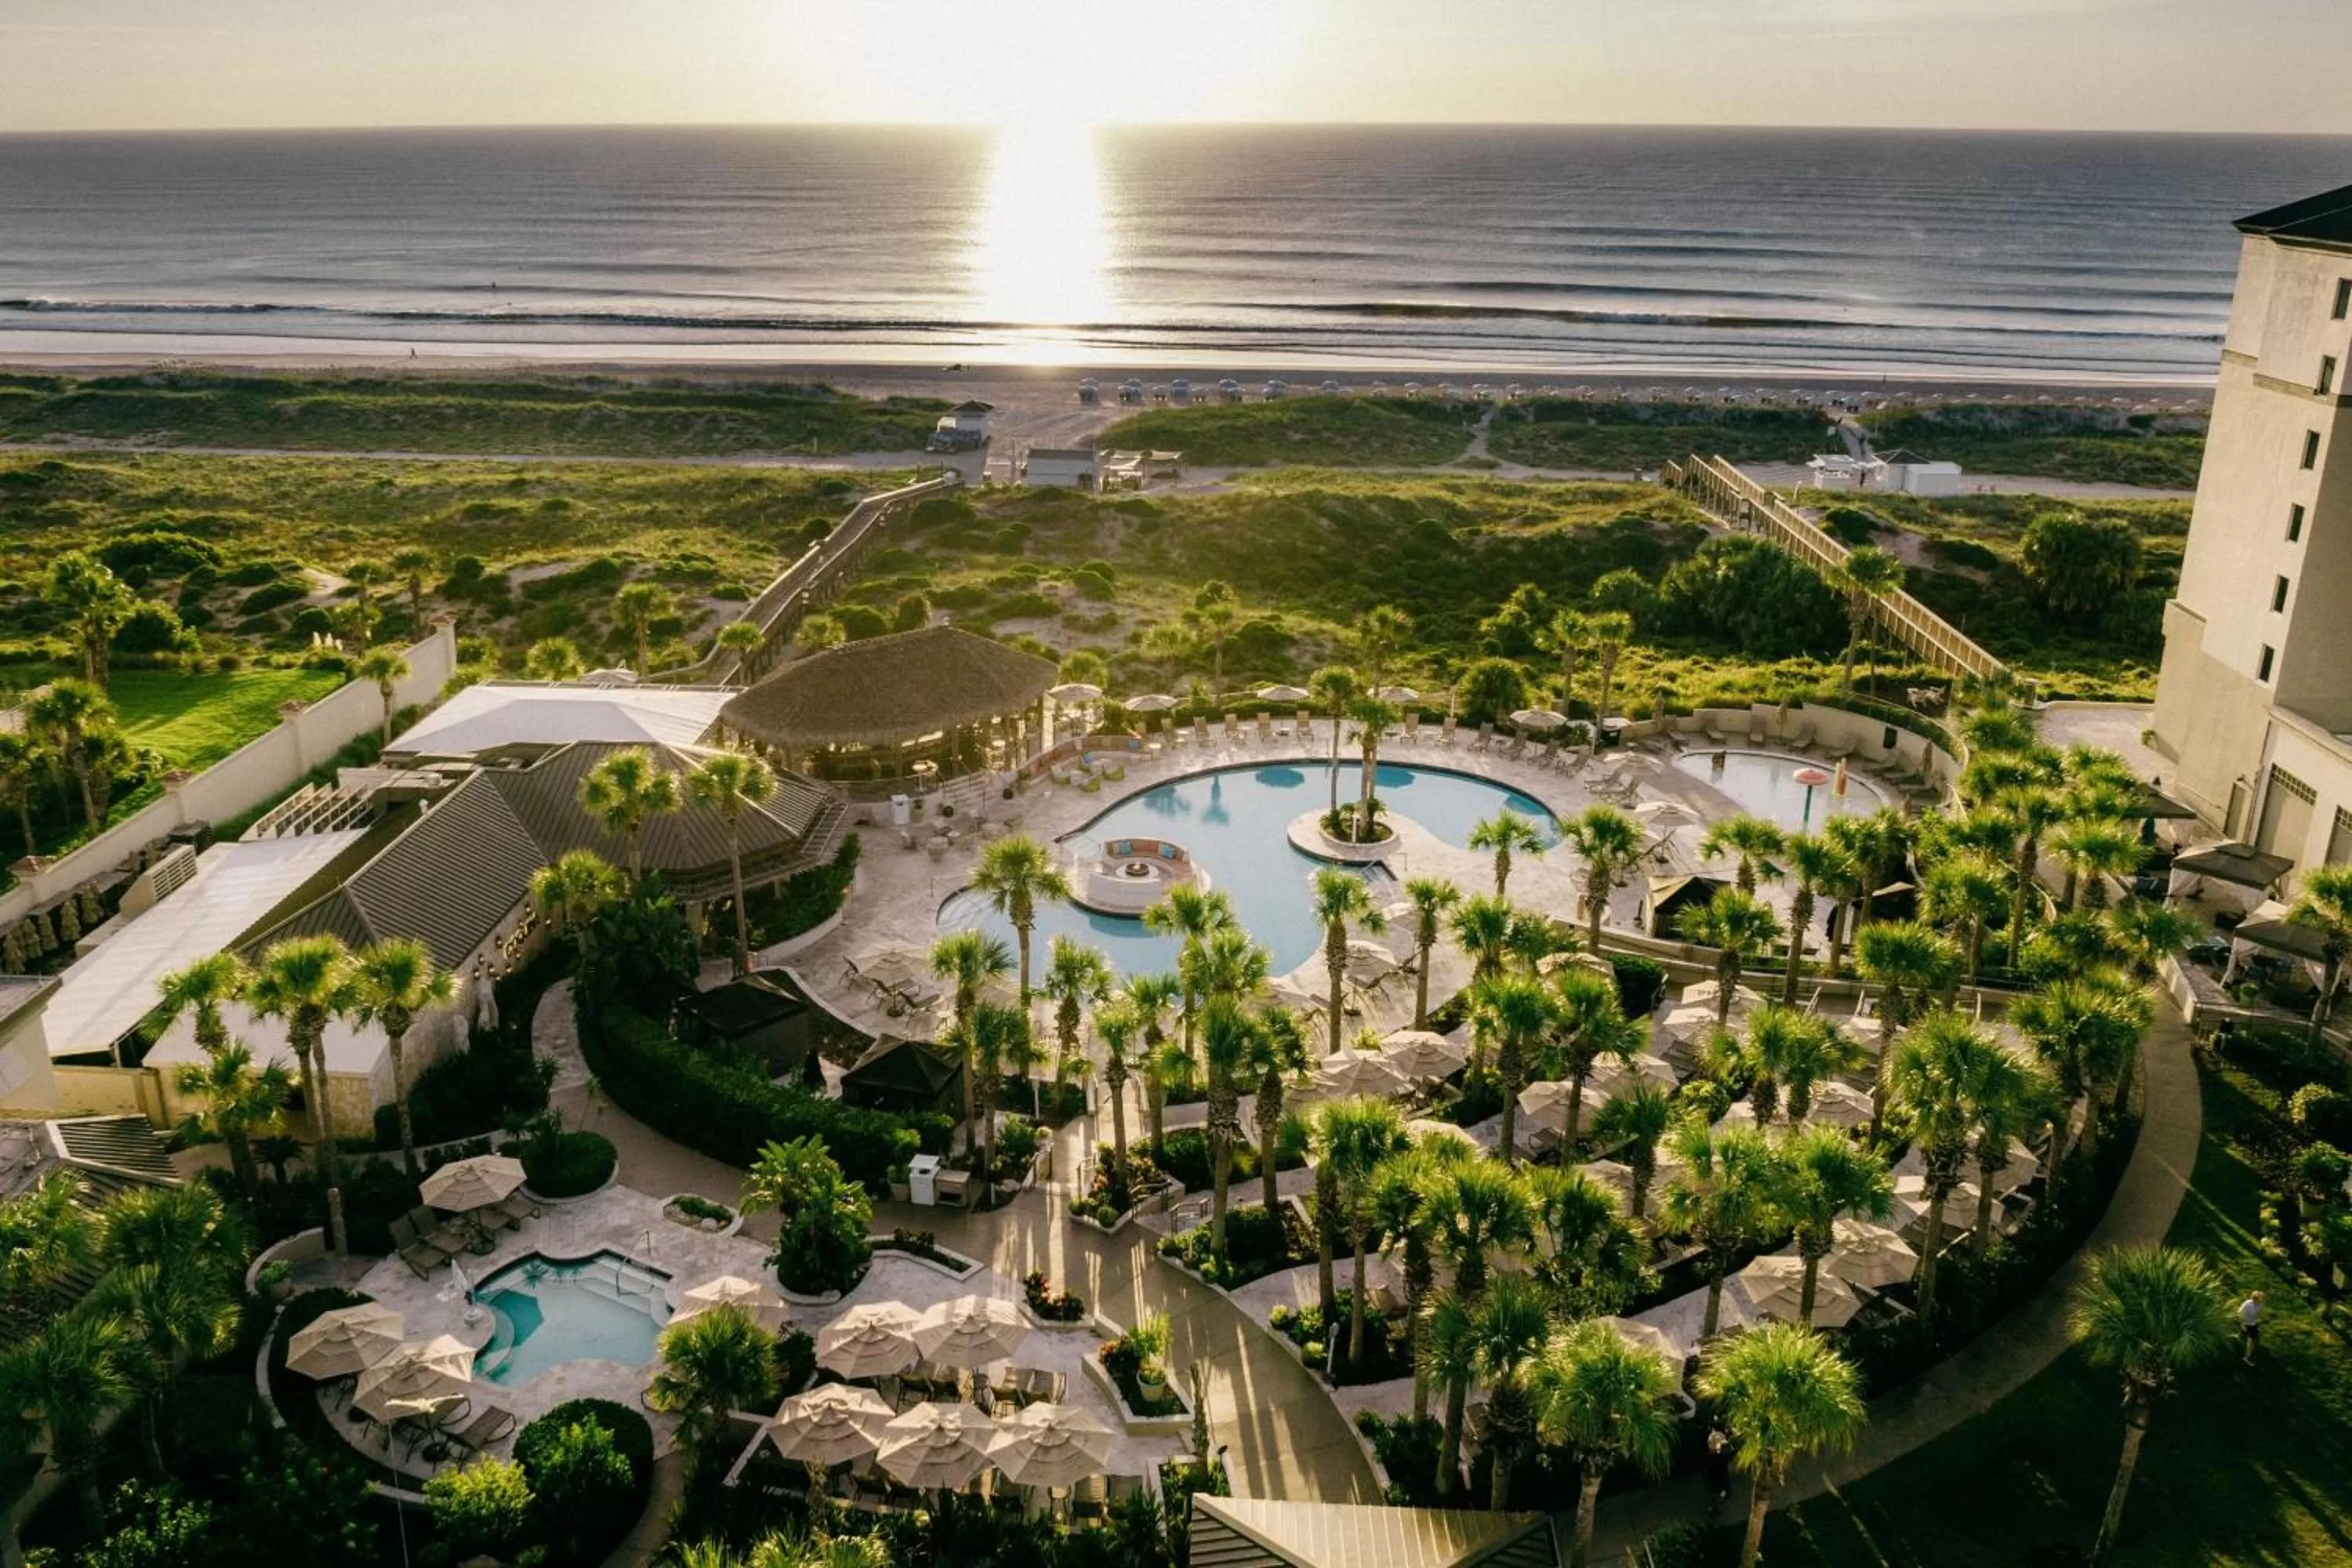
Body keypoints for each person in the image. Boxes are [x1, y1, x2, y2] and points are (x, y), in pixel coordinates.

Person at [1705, 1422, 1734, 1517]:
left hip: (1714, 1475)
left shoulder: (1713, 1438)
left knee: (1718, 1491)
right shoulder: (1721, 1455)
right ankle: (1714, 1506)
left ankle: (1714, 1504)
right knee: (1725, 1492)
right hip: (1721, 1477)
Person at [2241, 1290, 2264, 1366]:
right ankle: (2247, 1358)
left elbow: (2259, 1314)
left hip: (2254, 1323)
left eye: (2263, 1299)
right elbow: (2239, 1313)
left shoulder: (2261, 1305)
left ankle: (2250, 1352)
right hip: (2246, 1323)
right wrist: (2242, 1324)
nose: (2262, 1300)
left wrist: (2258, 1319)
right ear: (2255, 1299)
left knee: (2253, 1340)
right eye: (2261, 1299)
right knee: (2250, 1340)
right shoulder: (2248, 1304)